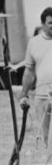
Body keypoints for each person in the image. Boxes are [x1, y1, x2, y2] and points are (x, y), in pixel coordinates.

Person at [19, 9, 52, 156]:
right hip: (42, 98)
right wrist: (24, 94)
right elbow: (29, 71)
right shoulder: (34, 43)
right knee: (45, 138)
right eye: (51, 23)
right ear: (43, 24)